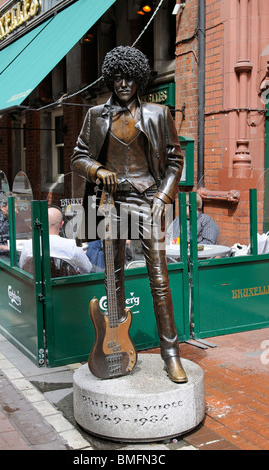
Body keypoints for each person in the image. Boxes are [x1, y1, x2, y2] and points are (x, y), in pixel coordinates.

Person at [71, 46, 187, 383]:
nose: (124, 83)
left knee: (160, 280)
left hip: (148, 200)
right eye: (117, 77)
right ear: (110, 78)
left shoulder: (157, 114)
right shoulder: (95, 115)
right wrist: (95, 170)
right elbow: (78, 157)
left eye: (129, 77)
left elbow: (175, 161)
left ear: (139, 78)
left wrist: (164, 196)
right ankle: (117, 349)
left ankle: (171, 354)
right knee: (114, 276)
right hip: (107, 201)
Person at [19, 207, 92, 274]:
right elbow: (87, 269)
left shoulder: (30, 244)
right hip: (67, 287)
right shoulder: (72, 246)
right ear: (61, 224)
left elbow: (22, 268)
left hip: (37, 287)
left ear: (42, 223)